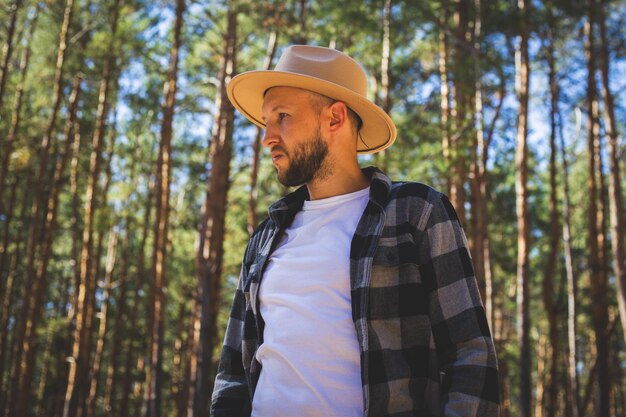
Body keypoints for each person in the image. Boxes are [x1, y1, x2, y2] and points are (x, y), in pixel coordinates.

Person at [211, 45, 499, 417]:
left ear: (334, 118)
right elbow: (233, 373)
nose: (266, 137)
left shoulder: (416, 212)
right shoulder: (264, 237)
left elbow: (471, 356)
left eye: (281, 116)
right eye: (266, 120)